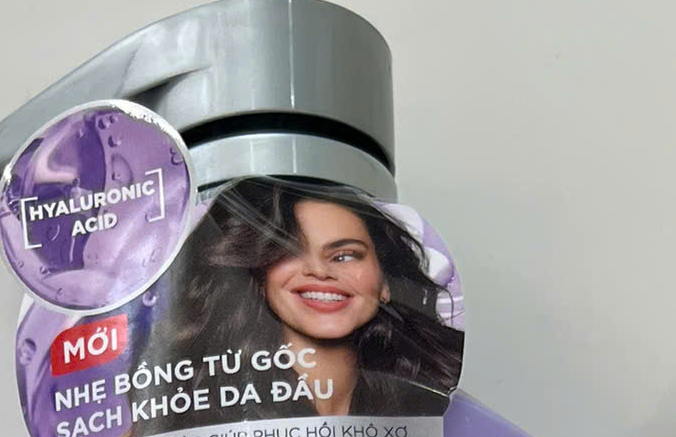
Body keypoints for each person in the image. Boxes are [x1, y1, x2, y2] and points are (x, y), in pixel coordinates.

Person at [142, 178, 462, 421]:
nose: (319, 271)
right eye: (289, 252)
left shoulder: (438, 401)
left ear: (386, 283)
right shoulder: (180, 411)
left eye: (345, 255)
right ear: (259, 276)